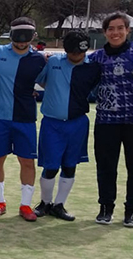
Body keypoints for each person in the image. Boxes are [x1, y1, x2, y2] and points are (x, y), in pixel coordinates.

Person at [33, 31, 101, 221]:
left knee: (70, 165)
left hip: (78, 123)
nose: (76, 56)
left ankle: (59, 205)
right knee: (51, 166)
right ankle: (45, 203)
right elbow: (39, 79)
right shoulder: (53, 61)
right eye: (72, 52)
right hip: (52, 123)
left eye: (80, 53)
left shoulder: (93, 67)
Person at [0, 17, 46, 220]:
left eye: (26, 36)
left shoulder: (39, 59)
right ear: (11, 35)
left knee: (27, 161)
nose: (21, 41)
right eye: (18, 36)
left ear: (33, 36)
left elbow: (48, 83)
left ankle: (25, 206)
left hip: (25, 117)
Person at [88, 12, 133, 226]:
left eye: (120, 28)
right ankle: (106, 208)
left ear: (127, 30)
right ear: (105, 32)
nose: (116, 33)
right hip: (106, 121)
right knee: (106, 167)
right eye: (111, 29)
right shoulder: (96, 57)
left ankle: (131, 211)